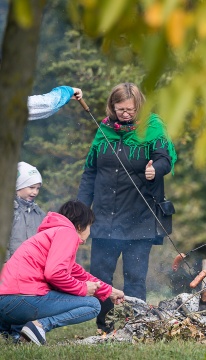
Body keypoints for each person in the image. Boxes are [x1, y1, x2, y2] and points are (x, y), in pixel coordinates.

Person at [77, 82, 177, 332]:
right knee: (100, 277)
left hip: (138, 219)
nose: (126, 114)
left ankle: (136, 326)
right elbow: (90, 171)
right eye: (120, 109)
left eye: (130, 110)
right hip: (103, 218)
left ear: (139, 106)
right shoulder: (104, 130)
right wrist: (80, 211)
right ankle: (104, 326)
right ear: (112, 107)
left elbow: (165, 158)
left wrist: (156, 169)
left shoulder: (151, 129)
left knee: (134, 277)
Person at [0, 200, 125, 345]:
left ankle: (12, 334)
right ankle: (39, 327)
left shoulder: (52, 234)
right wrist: (83, 289)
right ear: (80, 226)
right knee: (92, 305)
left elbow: (79, 274)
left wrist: (109, 291)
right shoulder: (67, 232)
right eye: (90, 226)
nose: (90, 232)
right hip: (19, 300)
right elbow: (54, 274)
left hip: (6, 302)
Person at [7, 162, 46, 261]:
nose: (35, 192)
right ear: (18, 186)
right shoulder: (8, 212)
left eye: (38, 188)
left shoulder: (39, 214)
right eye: (31, 187)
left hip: (33, 267)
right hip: (10, 266)